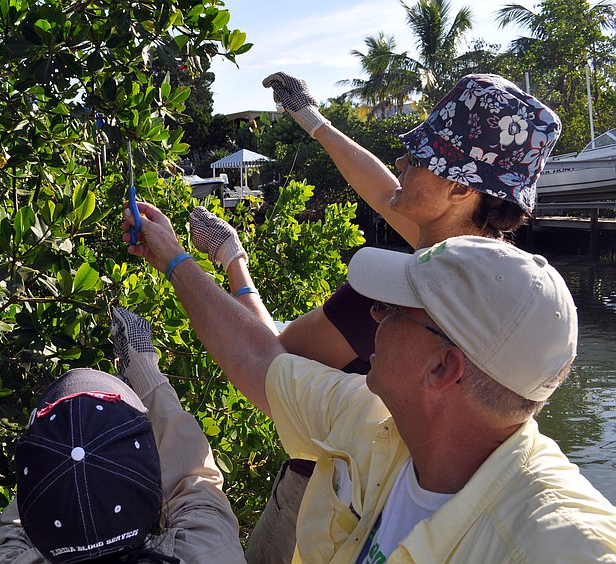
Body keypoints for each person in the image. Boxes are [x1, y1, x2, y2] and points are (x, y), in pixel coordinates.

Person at [188, 71, 563, 562]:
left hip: (324, 493)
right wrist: (311, 119)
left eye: (425, 159)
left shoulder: (397, 306)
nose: (402, 161)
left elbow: (268, 357)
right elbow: (387, 193)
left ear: (459, 191)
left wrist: (232, 263)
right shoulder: (500, 293)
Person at [121, 208, 616, 561]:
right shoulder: (376, 419)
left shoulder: (558, 541)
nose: (374, 317)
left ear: (442, 369)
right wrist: (173, 258)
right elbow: (260, 358)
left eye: (393, 310)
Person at [0, 307, 246, 564]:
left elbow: (20, 524)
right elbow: (194, 480)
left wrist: (58, 466)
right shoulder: (209, 552)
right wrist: (145, 372)